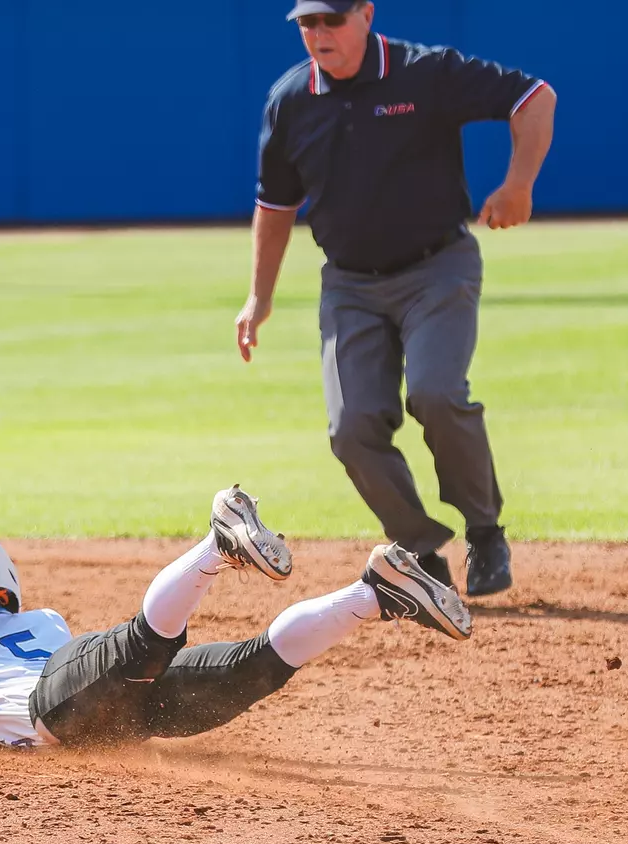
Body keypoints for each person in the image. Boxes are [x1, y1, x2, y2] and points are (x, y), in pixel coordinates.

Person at [235, 0, 556, 598]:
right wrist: (259, 297)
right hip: (350, 285)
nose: (318, 33)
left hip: (437, 269)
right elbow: (275, 204)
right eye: (307, 22)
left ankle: (485, 532)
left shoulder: (423, 71)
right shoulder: (291, 100)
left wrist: (518, 185)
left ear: (365, 14)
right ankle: (422, 550)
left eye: (331, 19)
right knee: (351, 428)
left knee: (435, 393)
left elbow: (534, 96)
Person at [0, 486, 470, 748]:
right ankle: (374, 593)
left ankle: (216, 545)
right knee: (257, 667)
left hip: (58, 705)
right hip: (119, 714)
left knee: (144, 642)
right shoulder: (45, 620)